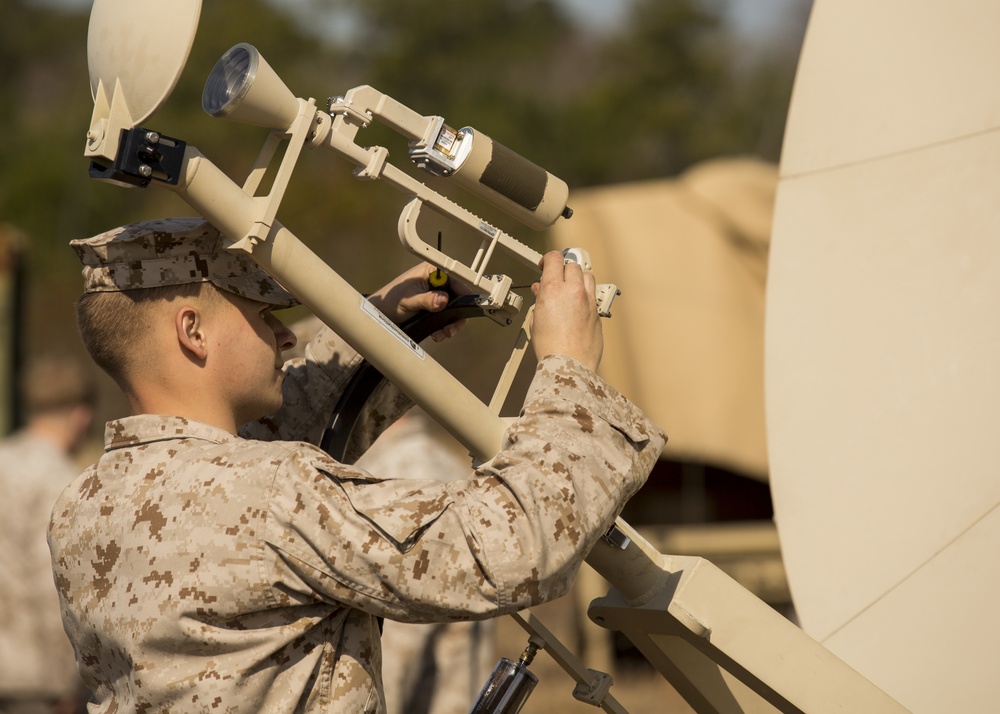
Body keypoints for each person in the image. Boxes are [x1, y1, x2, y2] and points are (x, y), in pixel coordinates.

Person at [47, 216, 665, 713]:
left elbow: (244, 456)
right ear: (193, 331)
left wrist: (374, 327)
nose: (286, 339)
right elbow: (512, 545)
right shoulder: (271, 491)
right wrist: (569, 373)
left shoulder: (84, 504)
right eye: (266, 318)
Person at [0, 354, 96, 714]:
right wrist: (66, 682)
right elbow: (54, 585)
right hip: (33, 681)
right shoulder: (59, 480)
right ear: (81, 415)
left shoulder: (3, 459)